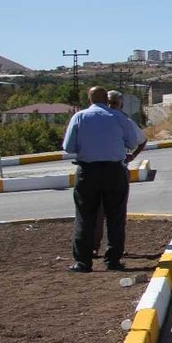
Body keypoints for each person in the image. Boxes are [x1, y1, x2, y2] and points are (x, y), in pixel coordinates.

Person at [62, 86, 143, 273]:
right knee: (116, 217)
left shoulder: (79, 117)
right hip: (115, 171)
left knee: (85, 216)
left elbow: (68, 147)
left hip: (88, 172)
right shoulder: (118, 117)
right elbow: (132, 143)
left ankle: (83, 262)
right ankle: (113, 261)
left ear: (89, 99)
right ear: (107, 100)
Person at [92, 90, 147, 258]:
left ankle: (96, 248)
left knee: (97, 212)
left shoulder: (91, 118)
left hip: (93, 170)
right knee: (115, 213)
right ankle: (113, 251)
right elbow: (140, 140)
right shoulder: (123, 120)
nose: (112, 106)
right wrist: (131, 156)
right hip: (116, 169)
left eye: (113, 103)